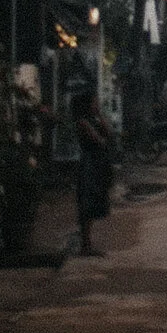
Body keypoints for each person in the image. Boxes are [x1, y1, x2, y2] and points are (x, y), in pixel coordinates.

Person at [71, 90, 114, 257]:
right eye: (94, 102)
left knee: (92, 201)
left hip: (97, 163)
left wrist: (100, 117)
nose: (97, 105)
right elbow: (100, 140)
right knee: (87, 202)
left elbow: (108, 134)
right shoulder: (83, 122)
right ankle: (85, 244)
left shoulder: (92, 120)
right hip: (90, 163)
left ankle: (87, 244)